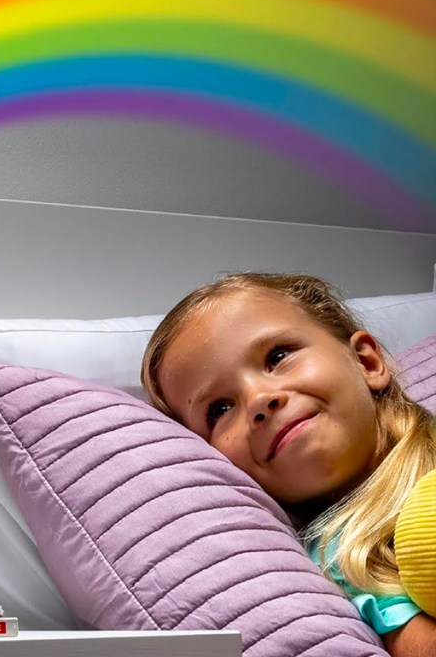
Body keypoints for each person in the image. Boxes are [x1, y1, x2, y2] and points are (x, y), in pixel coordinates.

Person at [140, 273, 436, 657]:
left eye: (278, 357)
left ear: (367, 361)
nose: (260, 399)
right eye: (220, 409)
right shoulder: (345, 560)